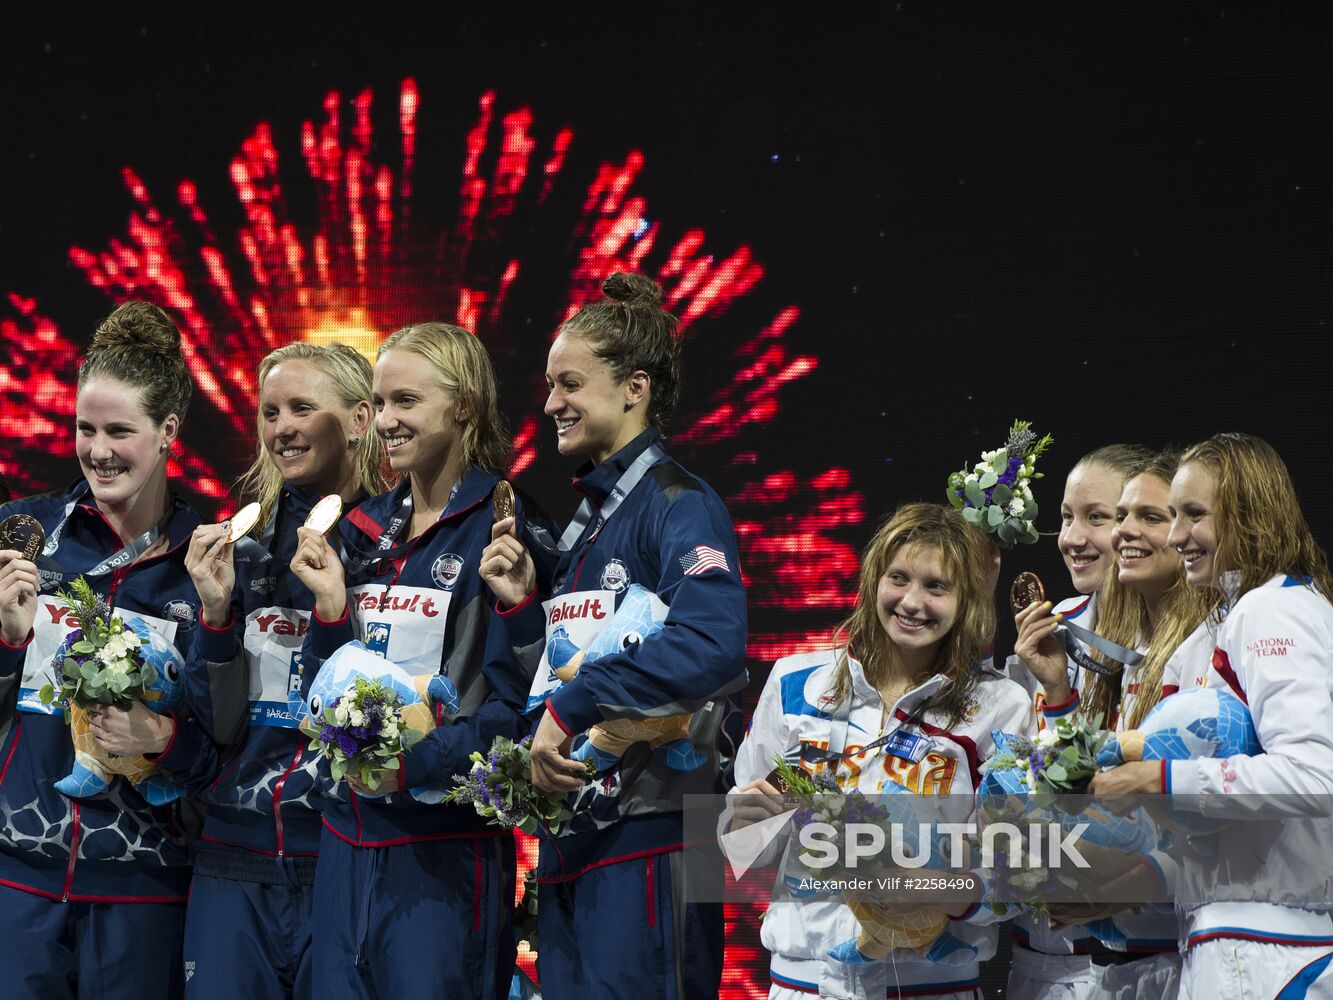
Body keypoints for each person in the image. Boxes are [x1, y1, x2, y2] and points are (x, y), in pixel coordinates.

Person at [479, 272, 749, 999]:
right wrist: (518, 612)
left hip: (655, 841)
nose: (550, 403)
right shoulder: (592, 522)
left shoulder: (677, 504)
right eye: (547, 384)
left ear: (634, 388)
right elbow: (567, 672)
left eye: (569, 383)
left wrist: (574, 708)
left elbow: (711, 643)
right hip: (584, 841)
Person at [289, 322, 537, 999]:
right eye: (380, 402)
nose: (386, 422)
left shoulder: (507, 528)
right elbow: (318, 687)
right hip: (345, 844)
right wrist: (332, 611)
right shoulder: (360, 531)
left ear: (463, 406)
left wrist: (412, 764)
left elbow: (515, 708)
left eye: (407, 402)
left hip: (444, 853)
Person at [0, 301, 216, 998]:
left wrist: (165, 739)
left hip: (144, 892)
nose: (98, 450)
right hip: (17, 881)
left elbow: (229, 745)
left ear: (168, 432)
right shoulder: (20, 531)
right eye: (85, 429)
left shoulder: (206, 561)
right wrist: (6, 642)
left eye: (120, 431)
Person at [731, 502, 1034, 998]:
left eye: (937, 587)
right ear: (873, 579)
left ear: (968, 601)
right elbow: (747, 847)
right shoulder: (794, 681)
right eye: (899, 578)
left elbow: (1023, 873)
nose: (912, 602)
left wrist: (927, 886)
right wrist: (746, 824)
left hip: (930, 987)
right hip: (802, 982)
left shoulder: (1001, 706)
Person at [174, 342, 384, 999]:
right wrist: (214, 616)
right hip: (232, 857)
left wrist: (332, 613)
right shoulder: (246, 549)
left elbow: (380, 716)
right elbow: (220, 722)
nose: (281, 427)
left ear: (358, 420)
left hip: (346, 855)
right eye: (269, 412)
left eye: (301, 408)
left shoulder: (395, 550)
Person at [1095, 433, 1333, 998]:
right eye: (1174, 515)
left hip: (1266, 948)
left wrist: (1163, 776)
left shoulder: (1270, 608)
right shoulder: (1270, 606)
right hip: (1251, 939)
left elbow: (1315, 775)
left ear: (1250, 515)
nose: (1178, 536)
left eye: (1194, 515)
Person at [1024, 451, 1216, 998]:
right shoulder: (1092, 640)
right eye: (1065, 517)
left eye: (1148, 518)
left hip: (1187, 951)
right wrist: (1058, 694)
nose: (1121, 534)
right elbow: (1077, 787)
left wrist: (1134, 881)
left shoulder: (1220, 642)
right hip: (1104, 960)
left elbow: (1228, 811)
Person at [1004, 443, 1152, 1000]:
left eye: (1097, 517)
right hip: (1043, 954)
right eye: (1066, 517)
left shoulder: (1179, 637)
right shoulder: (1048, 630)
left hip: (1149, 943)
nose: (1071, 538)